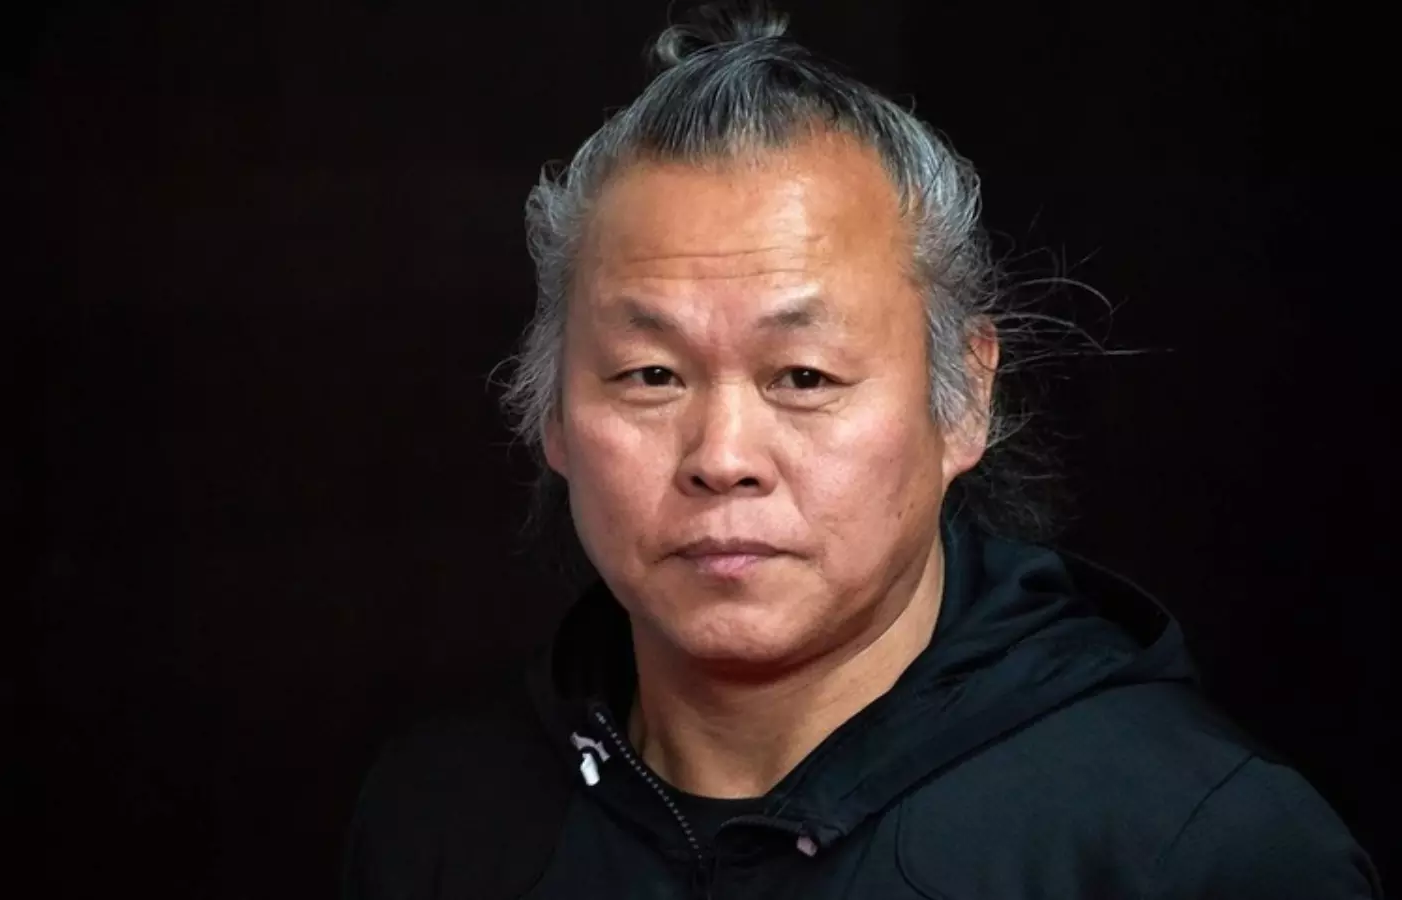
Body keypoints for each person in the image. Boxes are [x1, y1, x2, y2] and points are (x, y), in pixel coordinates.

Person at [342, 5, 1383, 898]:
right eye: (651, 375)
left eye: (803, 376)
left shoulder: (1190, 848)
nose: (722, 457)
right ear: (554, 415)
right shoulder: (440, 820)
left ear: (964, 400)